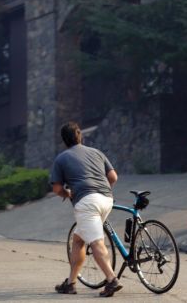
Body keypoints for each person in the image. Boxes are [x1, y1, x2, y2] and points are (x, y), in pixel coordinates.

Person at [50, 122, 122, 297]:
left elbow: (57, 189)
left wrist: (69, 194)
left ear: (64, 140)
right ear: (79, 135)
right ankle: (71, 283)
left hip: (87, 202)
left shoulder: (61, 158)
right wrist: (101, 191)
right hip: (107, 199)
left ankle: (112, 280)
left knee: (96, 242)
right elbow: (113, 177)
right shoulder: (96, 152)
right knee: (78, 240)